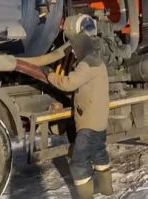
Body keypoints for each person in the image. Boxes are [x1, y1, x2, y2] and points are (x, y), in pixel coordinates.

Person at [46, 34, 112, 199]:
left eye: (75, 49)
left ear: (82, 47)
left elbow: (69, 83)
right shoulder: (97, 61)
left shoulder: (86, 64)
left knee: (79, 160)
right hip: (99, 118)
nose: (74, 53)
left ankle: (85, 196)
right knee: (98, 152)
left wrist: (50, 75)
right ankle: (106, 188)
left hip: (89, 121)